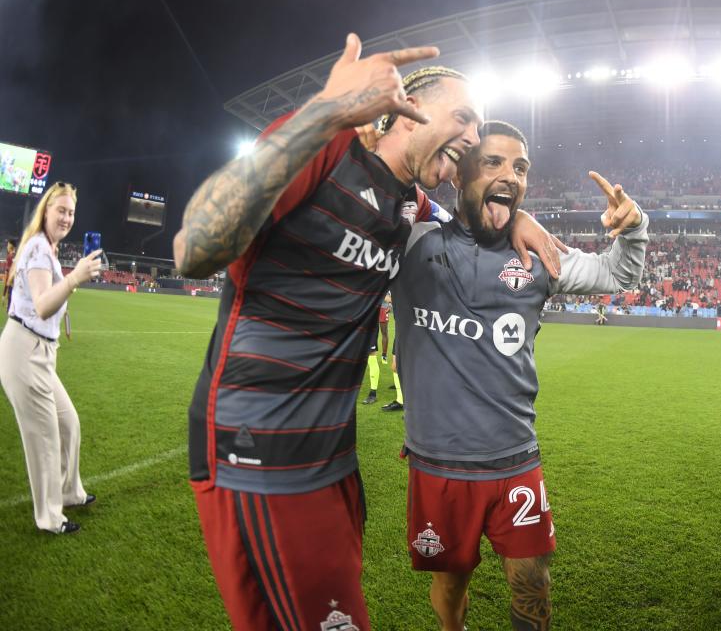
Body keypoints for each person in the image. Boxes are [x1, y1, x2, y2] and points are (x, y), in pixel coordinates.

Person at [173, 34, 561, 631]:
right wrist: (324, 112)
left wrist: (518, 216)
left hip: (330, 453)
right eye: (463, 119)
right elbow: (194, 248)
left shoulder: (408, 201)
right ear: (408, 108)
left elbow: (471, 218)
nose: (473, 140)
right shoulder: (325, 148)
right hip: (257, 445)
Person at [392, 121, 649, 630]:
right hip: (438, 464)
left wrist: (634, 225)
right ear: (459, 171)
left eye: (521, 167)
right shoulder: (412, 243)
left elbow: (618, 275)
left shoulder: (536, 255)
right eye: (493, 162)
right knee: (450, 582)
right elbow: (391, 182)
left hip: (514, 461)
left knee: (533, 583)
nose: (511, 175)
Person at [0, 182, 102, 534]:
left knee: (68, 422)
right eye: (60, 210)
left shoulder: (48, 248)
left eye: (71, 212)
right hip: (24, 353)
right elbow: (42, 306)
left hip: (40, 352)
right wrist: (75, 278)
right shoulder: (39, 250)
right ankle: (49, 517)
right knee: (44, 440)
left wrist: (67, 307)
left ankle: (70, 492)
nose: (66, 217)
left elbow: (46, 302)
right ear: (46, 210)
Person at [3, 238, 16, 310]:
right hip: (18, 288)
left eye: (8, 245)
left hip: (12, 287)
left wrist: (4, 294)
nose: (7, 247)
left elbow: (7, 276)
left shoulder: (9, 257)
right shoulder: (18, 256)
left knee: (10, 311)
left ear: (11, 246)